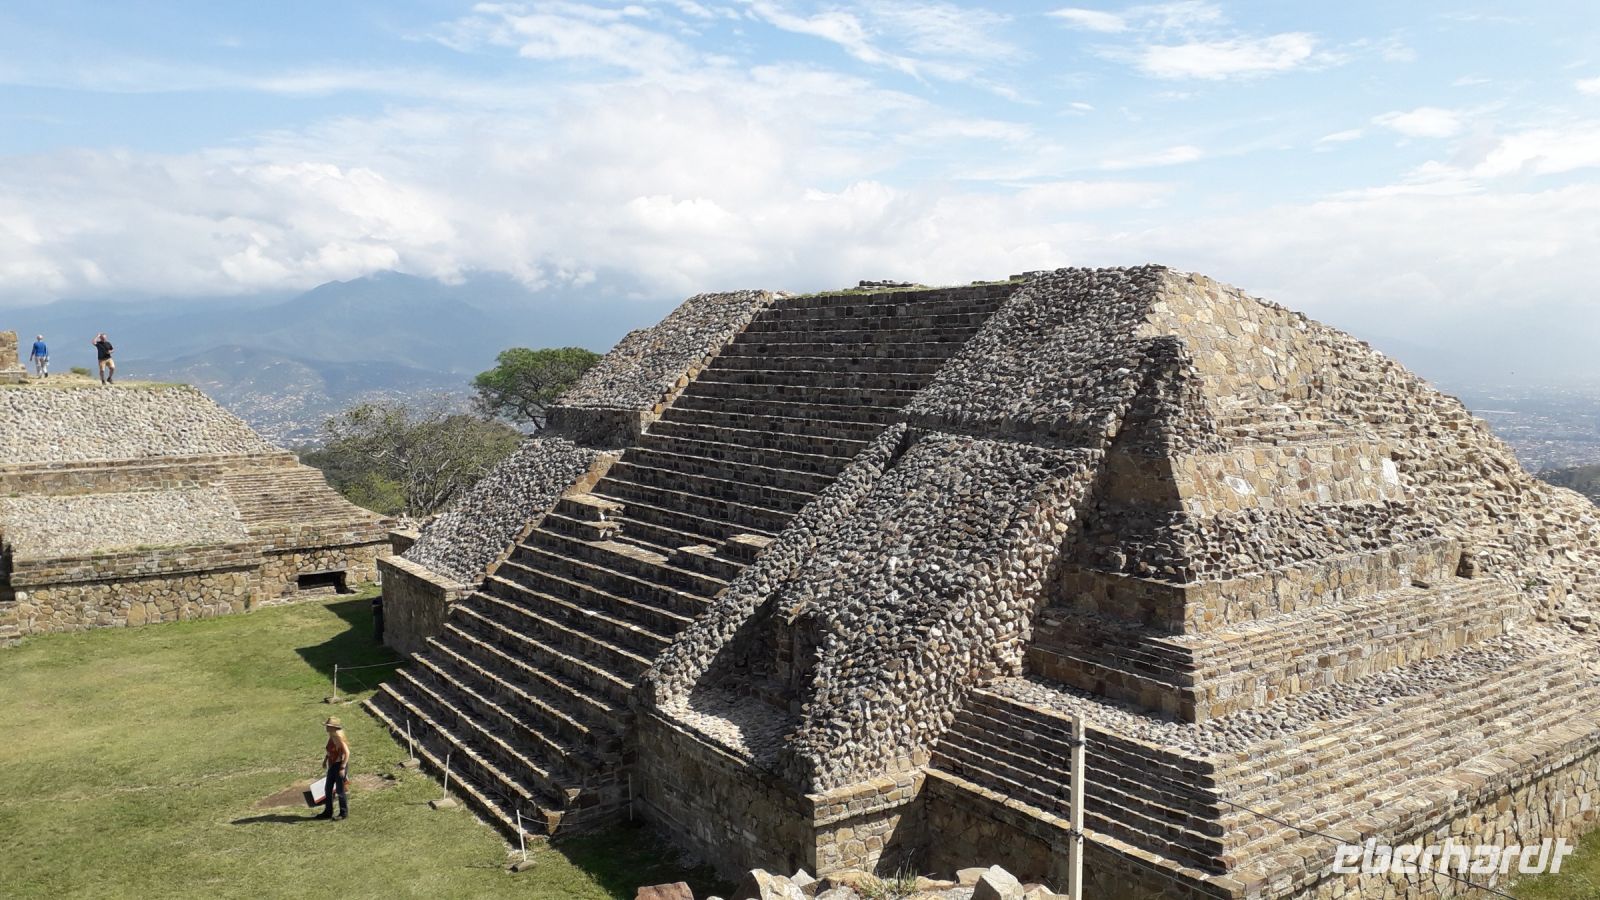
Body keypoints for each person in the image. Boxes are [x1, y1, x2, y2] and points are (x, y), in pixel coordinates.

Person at [317, 716, 350, 820]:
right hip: (332, 765)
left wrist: (343, 768)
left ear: (333, 727)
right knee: (328, 789)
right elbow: (330, 751)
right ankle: (328, 812)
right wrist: (325, 760)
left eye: (328, 726)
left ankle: (343, 813)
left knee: (340, 790)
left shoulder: (338, 738)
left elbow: (347, 752)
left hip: (339, 765)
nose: (326, 727)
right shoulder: (332, 736)